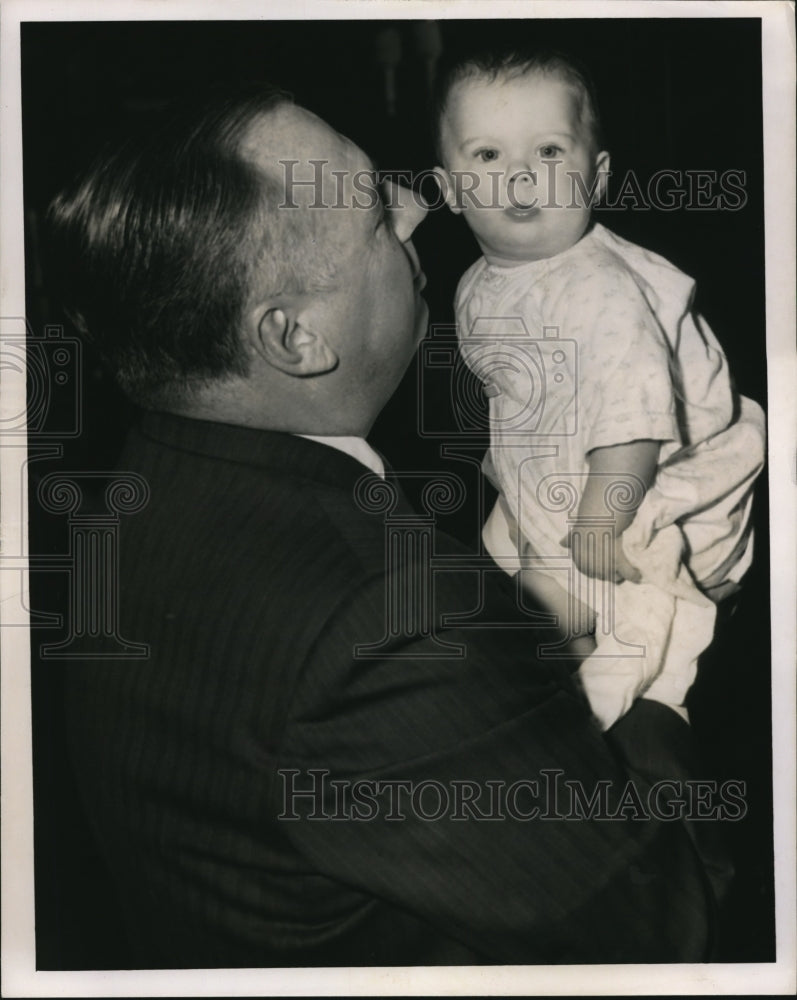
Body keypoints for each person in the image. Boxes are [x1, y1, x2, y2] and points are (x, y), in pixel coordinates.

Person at [48, 82, 717, 968]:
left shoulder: (133, 494)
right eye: (374, 211)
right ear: (294, 338)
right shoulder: (391, 618)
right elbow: (662, 925)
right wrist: (664, 680)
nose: (416, 208)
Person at [431, 49, 765, 730]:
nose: (521, 176)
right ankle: (557, 657)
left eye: (550, 151)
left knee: (604, 609)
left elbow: (633, 420)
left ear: (598, 175)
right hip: (566, 458)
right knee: (499, 571)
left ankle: (600, 714)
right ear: (451, 190)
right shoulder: (479, 282)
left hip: (646, 479)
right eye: (488, 155)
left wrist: (599, 519)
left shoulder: (599, 291)